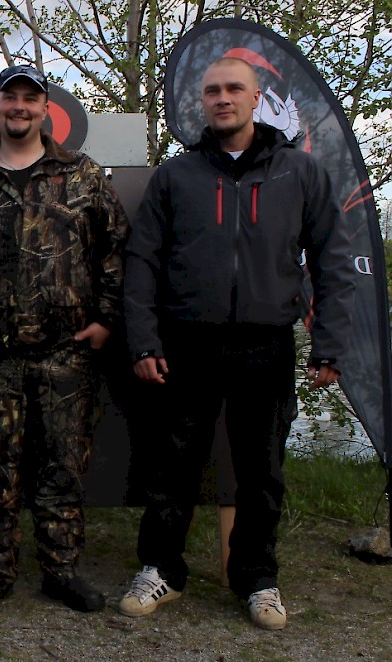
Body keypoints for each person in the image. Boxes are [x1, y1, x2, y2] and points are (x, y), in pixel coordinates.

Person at [118, 57, 354, 630]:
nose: (222, 98)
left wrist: (330, 347)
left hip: (264, 344)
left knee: (261, 470)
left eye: (234, 90)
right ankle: (162, 570)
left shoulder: (299, 173)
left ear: (255, 99)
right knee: (173, 466)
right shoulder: (176, 175)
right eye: (212, 91)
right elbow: (141, 261)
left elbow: (333, 262)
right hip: (185, 344)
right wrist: (144, 342)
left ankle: (257, 579)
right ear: (202, 102)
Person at [0, 64, 129, 615]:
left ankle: (61, 571)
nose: (20, 107)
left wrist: (106, 318)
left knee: (63, 469)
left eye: (30, 99)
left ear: (45, 109)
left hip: (66, 357)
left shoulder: (82, 175)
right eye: (10, 98)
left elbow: (115, 253)